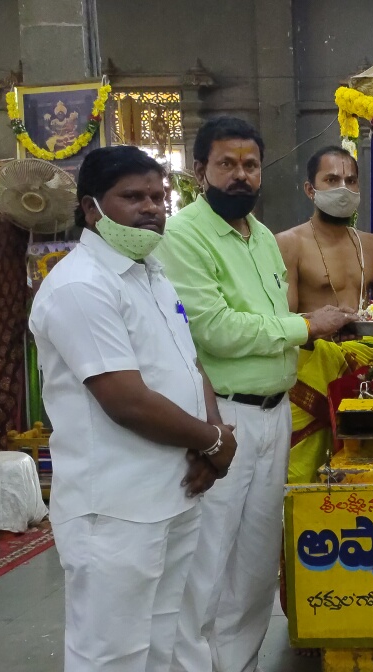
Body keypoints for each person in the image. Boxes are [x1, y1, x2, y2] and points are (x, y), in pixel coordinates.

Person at [158, 117, 357, 672]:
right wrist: (305, 328)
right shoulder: (184, 237)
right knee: (207, 563)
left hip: (276, 418)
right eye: (227, 164)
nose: (240, 176)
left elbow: (270, 319)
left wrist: (321, 330)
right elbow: (213, 328)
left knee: (253, 562)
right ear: (200, 171)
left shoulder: (263, 238)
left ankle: (238, 663)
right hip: (223, 417)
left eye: (249, 166)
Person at [30, 146, 236, 671]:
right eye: (132, 197)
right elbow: (125, 399)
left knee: (163, 641)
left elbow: (190, 365)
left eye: (157, 196)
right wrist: (212, 441)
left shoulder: (151, 272)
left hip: (175, 488)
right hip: (116, 506)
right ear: (91, 208)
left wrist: (211, 436)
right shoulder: (81, 286)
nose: (150, 208)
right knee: (112, 653)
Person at [276, 145, 373, 484]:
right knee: (308, 468)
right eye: (331, 179)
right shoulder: (288, 243)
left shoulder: (371, 245)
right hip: (312, 370)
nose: (343, 188)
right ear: (309, 189)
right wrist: (321, 324)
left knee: (363, 460)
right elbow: (282, 316)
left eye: (351, 180)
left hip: (360, 368)